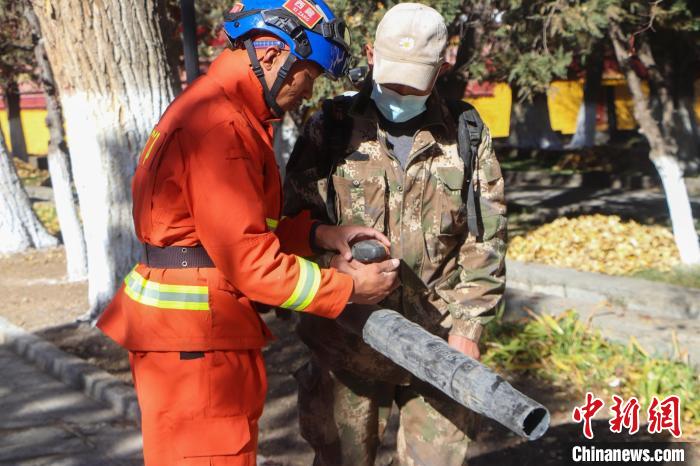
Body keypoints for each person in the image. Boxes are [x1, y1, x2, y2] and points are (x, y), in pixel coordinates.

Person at [96, 1, 399, 464]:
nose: (308, 91)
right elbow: (251, 264)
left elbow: (233, 232)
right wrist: (348, 287)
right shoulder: (222, 129)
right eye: (309, 75)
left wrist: (320, 235)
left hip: (191, 342)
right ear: (272, 52)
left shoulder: (217, 110)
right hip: (200, 351)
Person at [283, 3, 507, 465]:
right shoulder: (331, 128)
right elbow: (293, 226)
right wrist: (332, 268)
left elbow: (486, 236)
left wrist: (468, 327)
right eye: (394, 77)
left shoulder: (466, 133)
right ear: (370, 54)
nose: (402, 91)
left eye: (414, 80)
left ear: (442, 67)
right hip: (346, 343)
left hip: (438, 346)